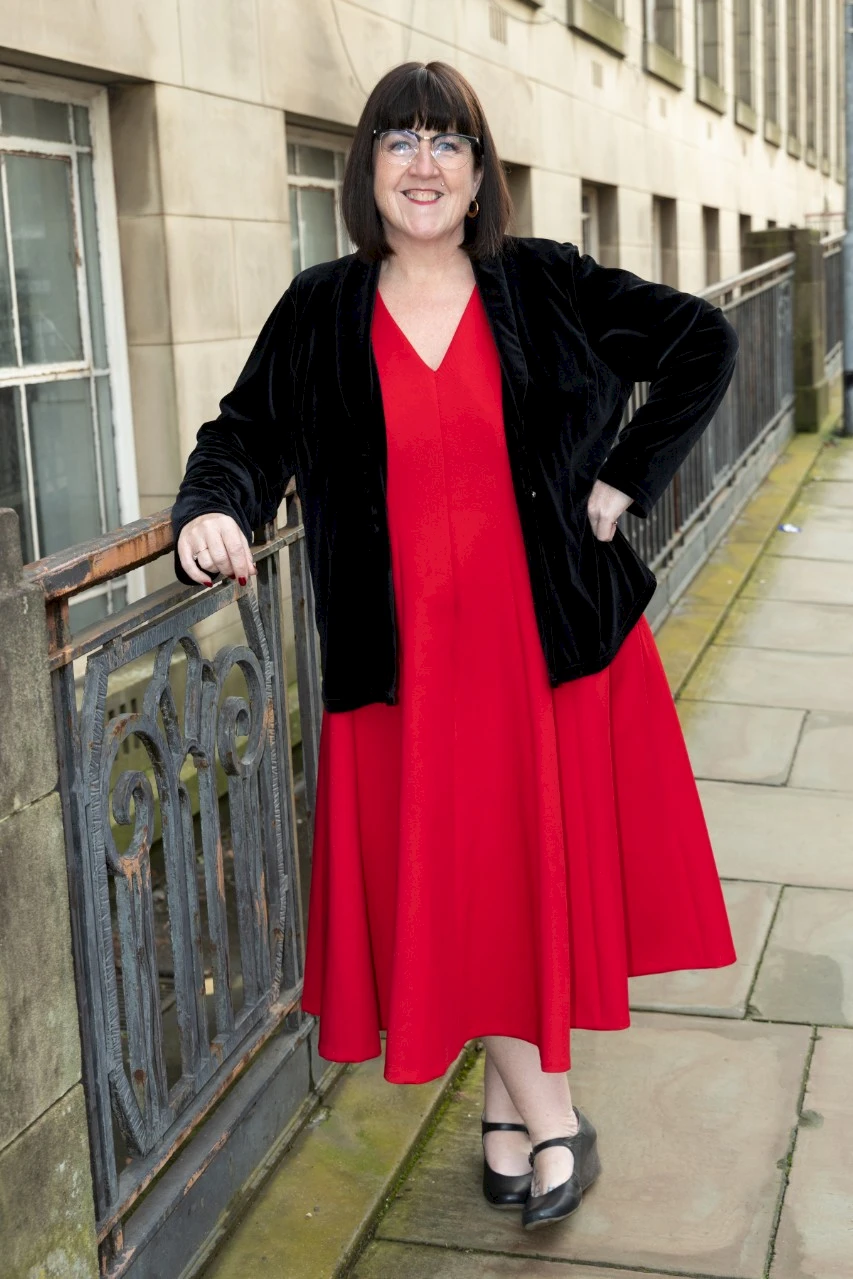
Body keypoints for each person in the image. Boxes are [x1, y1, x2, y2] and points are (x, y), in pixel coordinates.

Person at [172, 60, 739, 1231]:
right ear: (367, 170)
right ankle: (540, 1116)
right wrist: (210, 508)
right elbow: (243, 431)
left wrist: (627, 477)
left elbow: (702, 341)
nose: (423, 164)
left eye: (447, 143)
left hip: (539, 656)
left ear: (479, 176)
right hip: (407, 673)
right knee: (469, 886)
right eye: (400, 141)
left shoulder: (541, 283)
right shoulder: (321, 308)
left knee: (511, 882)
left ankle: (536, 1117)